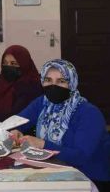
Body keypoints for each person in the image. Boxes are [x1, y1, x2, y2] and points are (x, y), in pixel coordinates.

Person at [11, 59, 110, 190]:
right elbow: (18, 121)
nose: (53, 86)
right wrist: (15, 130)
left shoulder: (89, 113)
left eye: (61, 81)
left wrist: (43, 144)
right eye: (48, 80)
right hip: (56, 170)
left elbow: (80, 156)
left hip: (91, 178)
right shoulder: (43, 103)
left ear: (72, 83)